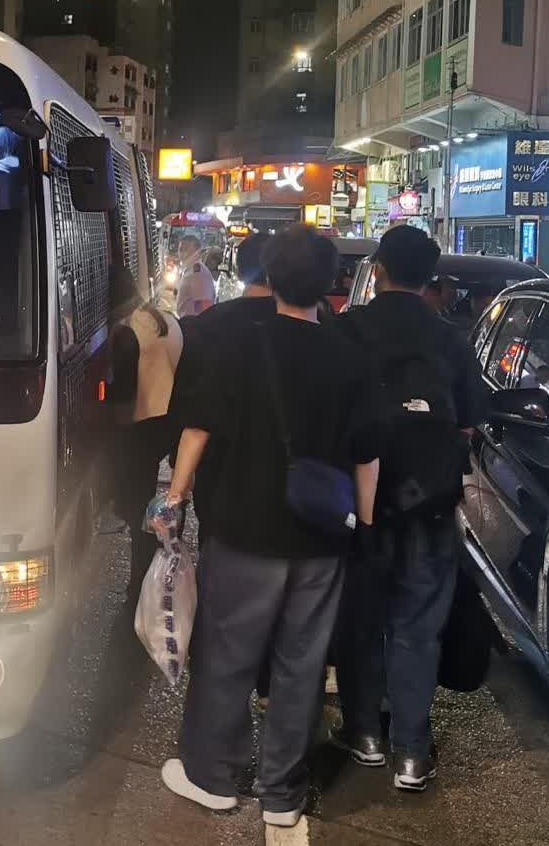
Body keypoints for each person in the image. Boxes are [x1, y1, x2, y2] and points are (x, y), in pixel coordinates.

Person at [158, 225, 379, 829]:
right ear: (330, 284)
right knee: (302, 664)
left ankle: (212, 776)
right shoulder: (349, 356)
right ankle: (282, 792)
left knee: (227, 655)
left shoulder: (241, 347)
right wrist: (364, 526)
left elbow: (198, 428)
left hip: (244, 531)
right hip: (321, 535)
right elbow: (367, 454)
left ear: (271, 278)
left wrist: (174, 498)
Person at [333, 226, 486, 793]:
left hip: (359, 501)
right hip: (429, 503)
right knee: (418, 627)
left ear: (378, 270)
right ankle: (411, 754)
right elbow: (467, 423)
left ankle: (364, 734)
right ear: (431, 278)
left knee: (360, 618)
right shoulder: (451, 338)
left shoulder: (347, 329)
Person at [109, 275, 184, 606]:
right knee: (167, 501)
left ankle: (141, 578)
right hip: (173, 420)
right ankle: (163, 559)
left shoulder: (126, 331)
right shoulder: (165, 319)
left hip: (145, 424)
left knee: (137, 502)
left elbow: (124, 397)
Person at [175, 235, 216, 318]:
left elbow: (204, 306)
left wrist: (194, 322)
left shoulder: (198, 273)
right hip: (188, 321)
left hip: (193, 322)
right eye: (180, 249)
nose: (182, 253)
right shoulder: (189, 270)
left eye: (186, 249)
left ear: (197, 251)